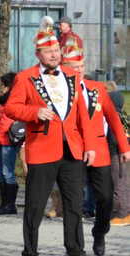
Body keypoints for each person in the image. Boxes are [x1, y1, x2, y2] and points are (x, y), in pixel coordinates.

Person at [5, 16, 96, 256]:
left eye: (56, 50)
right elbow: (11, 108)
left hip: (73, 150)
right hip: (42, 149)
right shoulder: (25, 77)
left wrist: (90, 145)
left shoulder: (73, 76)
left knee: (74, 204)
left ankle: (75, 249)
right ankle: (30, 250)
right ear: (38, 54)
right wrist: (34, 112)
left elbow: (82, 116)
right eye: (49, 51)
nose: (54, 55)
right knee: (35, 205)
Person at [61, 41, 130, 255]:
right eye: (75, 67)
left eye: (82, 66)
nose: (80, 71)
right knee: (74, 201)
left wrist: (125, 146)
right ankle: (74, 247)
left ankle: (100, 232)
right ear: (65, 68)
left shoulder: (98, 88)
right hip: (73, 151)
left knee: (106, 197)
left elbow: (114, 119)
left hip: (100, 151)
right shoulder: (61, 92)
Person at [0, 72, 22, 215]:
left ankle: (10, 204)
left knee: (7, 172)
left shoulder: (13, 100)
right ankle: (4, 203)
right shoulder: (5, 100)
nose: (1, 88)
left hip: (8, 140)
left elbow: (6, 120)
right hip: (2, 140)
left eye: (3, 85)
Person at [107, 90, 130, 226]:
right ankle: (127, 212)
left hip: (117, 153)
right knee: (126, 183)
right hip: (127, 152)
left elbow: (113, 138)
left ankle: (121, 214)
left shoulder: (113, 116)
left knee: (118, 183)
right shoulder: (125, 116)